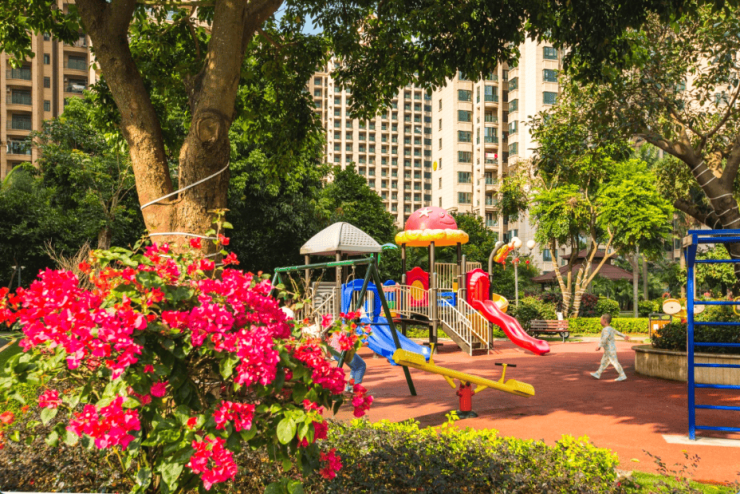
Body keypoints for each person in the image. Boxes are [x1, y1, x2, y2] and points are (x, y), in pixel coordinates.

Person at [591, 313, 630, 382]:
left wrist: (599, 346)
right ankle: (598, 373)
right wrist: (624, 336)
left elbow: (604, 338)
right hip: (609, 350)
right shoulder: (610, 328)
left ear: (605, 320)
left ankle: (622, 375)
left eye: (601, 320)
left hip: (610, 350)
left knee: (614, 362)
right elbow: (617, 332)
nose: (600, 321)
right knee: (604, 362)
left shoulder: (606, 329)